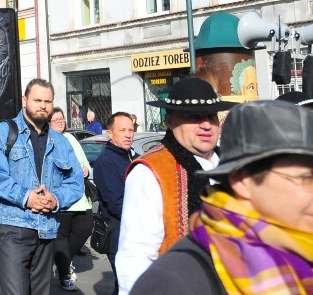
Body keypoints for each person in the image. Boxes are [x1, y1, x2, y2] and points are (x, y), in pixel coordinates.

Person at [131, 100, 313, 294]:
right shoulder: (175, 283)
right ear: (242, 181)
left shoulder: (301, 247)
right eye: (307, 178)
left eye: (211, 117)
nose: (206, 124)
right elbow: (136, 250)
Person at [115, 77, 233, 294]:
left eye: (211, 116)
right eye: (193, 117)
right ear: (170, 121)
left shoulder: (231, 166)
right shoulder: (151, 170)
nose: (206, 124)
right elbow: (135, 255)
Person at [0, 79, 83, 295]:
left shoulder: (60, 142)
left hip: (47, 227)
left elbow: (75, 183)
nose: (43, 105)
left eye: (48, 101)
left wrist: (56, 199)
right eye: (37, 100)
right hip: (11, 225)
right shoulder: (4, 131)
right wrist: (26, 197)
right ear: (25, 100)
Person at [49, 107, 93, 292]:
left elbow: (85, 162)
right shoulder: (48, 139)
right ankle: (64, 273)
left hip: (81, 196)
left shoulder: (71, 138)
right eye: (56, 119)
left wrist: (86, 169)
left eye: (62, 118)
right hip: (61, 197)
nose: (60, 121)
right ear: (49, 123)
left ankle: (63, 262)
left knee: (84, 228)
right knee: (62, 235)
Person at [92, 112, 136, 295]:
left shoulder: (133, 156)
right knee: (128, 287)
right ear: (110, 134)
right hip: (119, 237)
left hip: (136, 236)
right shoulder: (106, 162)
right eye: (122, 130)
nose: (128, 134)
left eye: (131, 130)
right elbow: (116, 204)